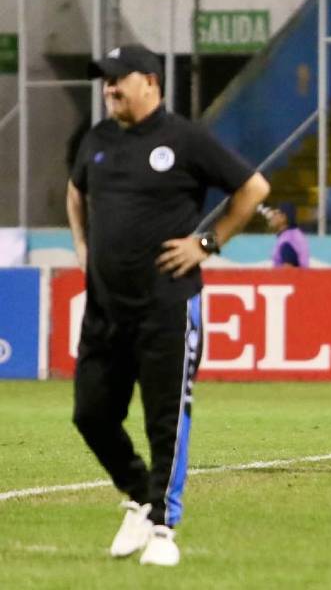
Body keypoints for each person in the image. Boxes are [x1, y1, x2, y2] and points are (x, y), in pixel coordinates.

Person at [66, 44, 270, 566]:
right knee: (90, 413)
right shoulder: (96, 138)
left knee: (166, 420)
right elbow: (75, 190)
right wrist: (84, 247)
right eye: (105, 80)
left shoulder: (184, 138)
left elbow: (253, 187)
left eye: (118, 79)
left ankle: (162, 527)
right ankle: (139, 494)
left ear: (151, 82)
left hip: (167, 306)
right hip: (104, 308)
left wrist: (206, 243)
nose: (109, 88)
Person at [265, 202, 310, 268]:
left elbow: (288, 274)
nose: (271, 216)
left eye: (275, 213)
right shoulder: (295, 234)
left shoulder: (287, 241)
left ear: (283, 217)